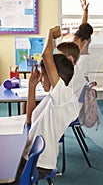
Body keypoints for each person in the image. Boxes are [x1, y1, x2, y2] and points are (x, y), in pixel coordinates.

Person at [13, 26, 80, 184]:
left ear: (57, 76)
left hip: (39, 164)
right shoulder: (52, 98)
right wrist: (31, 87)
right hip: (27, 155)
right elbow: (30, 120)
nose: (42, 79)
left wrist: (51, 34)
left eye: (44, 75)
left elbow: (46, 56)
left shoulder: (63, 96)